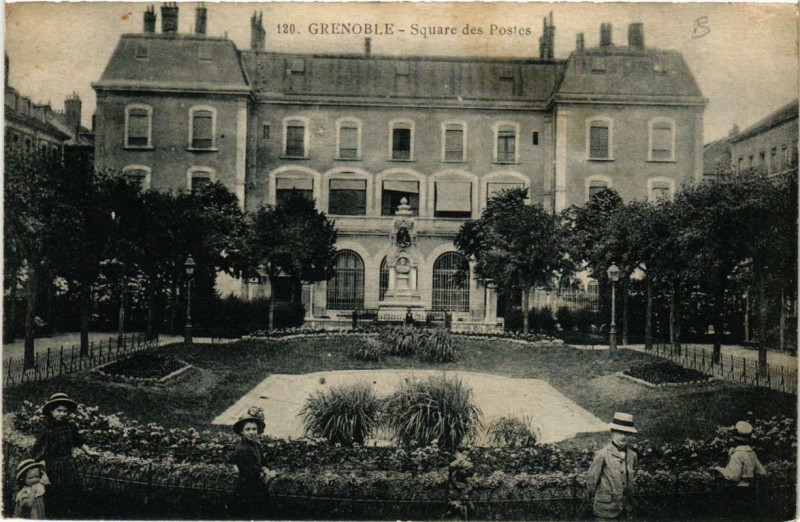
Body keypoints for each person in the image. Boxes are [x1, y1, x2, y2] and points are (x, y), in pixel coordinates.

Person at [32, 393, 98, 518]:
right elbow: (39, 449)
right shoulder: (46, 428)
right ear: (51, 411)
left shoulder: (69, 426)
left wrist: (88, 452)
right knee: (53, 494)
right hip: (52, 466)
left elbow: (78, 440)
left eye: (65, 411)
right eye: (59, 411)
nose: (62, 414)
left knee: (70, 493)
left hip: (67, 464)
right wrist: (41, 469)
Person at [585, 412, 638, 520]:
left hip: (625, 509)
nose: (623, 437)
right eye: (619, 432)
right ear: (612, 432)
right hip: (605, 510)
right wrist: (595, 500)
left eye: (627, 433)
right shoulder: (603, 454)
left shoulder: (632, 455)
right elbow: (592, 480)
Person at [231, 406, 278, 519]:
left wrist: (267, 469)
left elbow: (263, 461)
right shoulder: (241, 449)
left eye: (254, 429)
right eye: (248, 429)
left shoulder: (256, 445)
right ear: (242, 431)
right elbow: (250, 473)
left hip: (258, 488)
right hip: (247, 489)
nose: (251, 432)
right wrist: (266, 474)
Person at [713, 421, 767, 486]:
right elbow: (762, 472)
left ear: (736, 439)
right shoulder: (752, 453)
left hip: (738, 489)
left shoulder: (737, 455)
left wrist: (719, 469)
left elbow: (733, 477)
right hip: (751, 488)